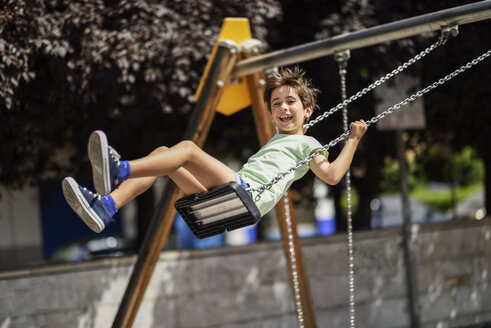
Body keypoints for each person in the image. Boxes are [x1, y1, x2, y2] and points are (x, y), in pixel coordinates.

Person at [62, 66, 367, 233]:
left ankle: (119, 170)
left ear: (308, 110)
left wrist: (352, 139)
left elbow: (332, 176)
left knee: (188, 150)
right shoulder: (277, 141)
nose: (283, 108)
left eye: (291, 102)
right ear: (271, 115)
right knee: (163, 154)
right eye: (276, 104)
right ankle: (106, 207)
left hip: (245, 195)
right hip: (226, 199)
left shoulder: (308, 143)